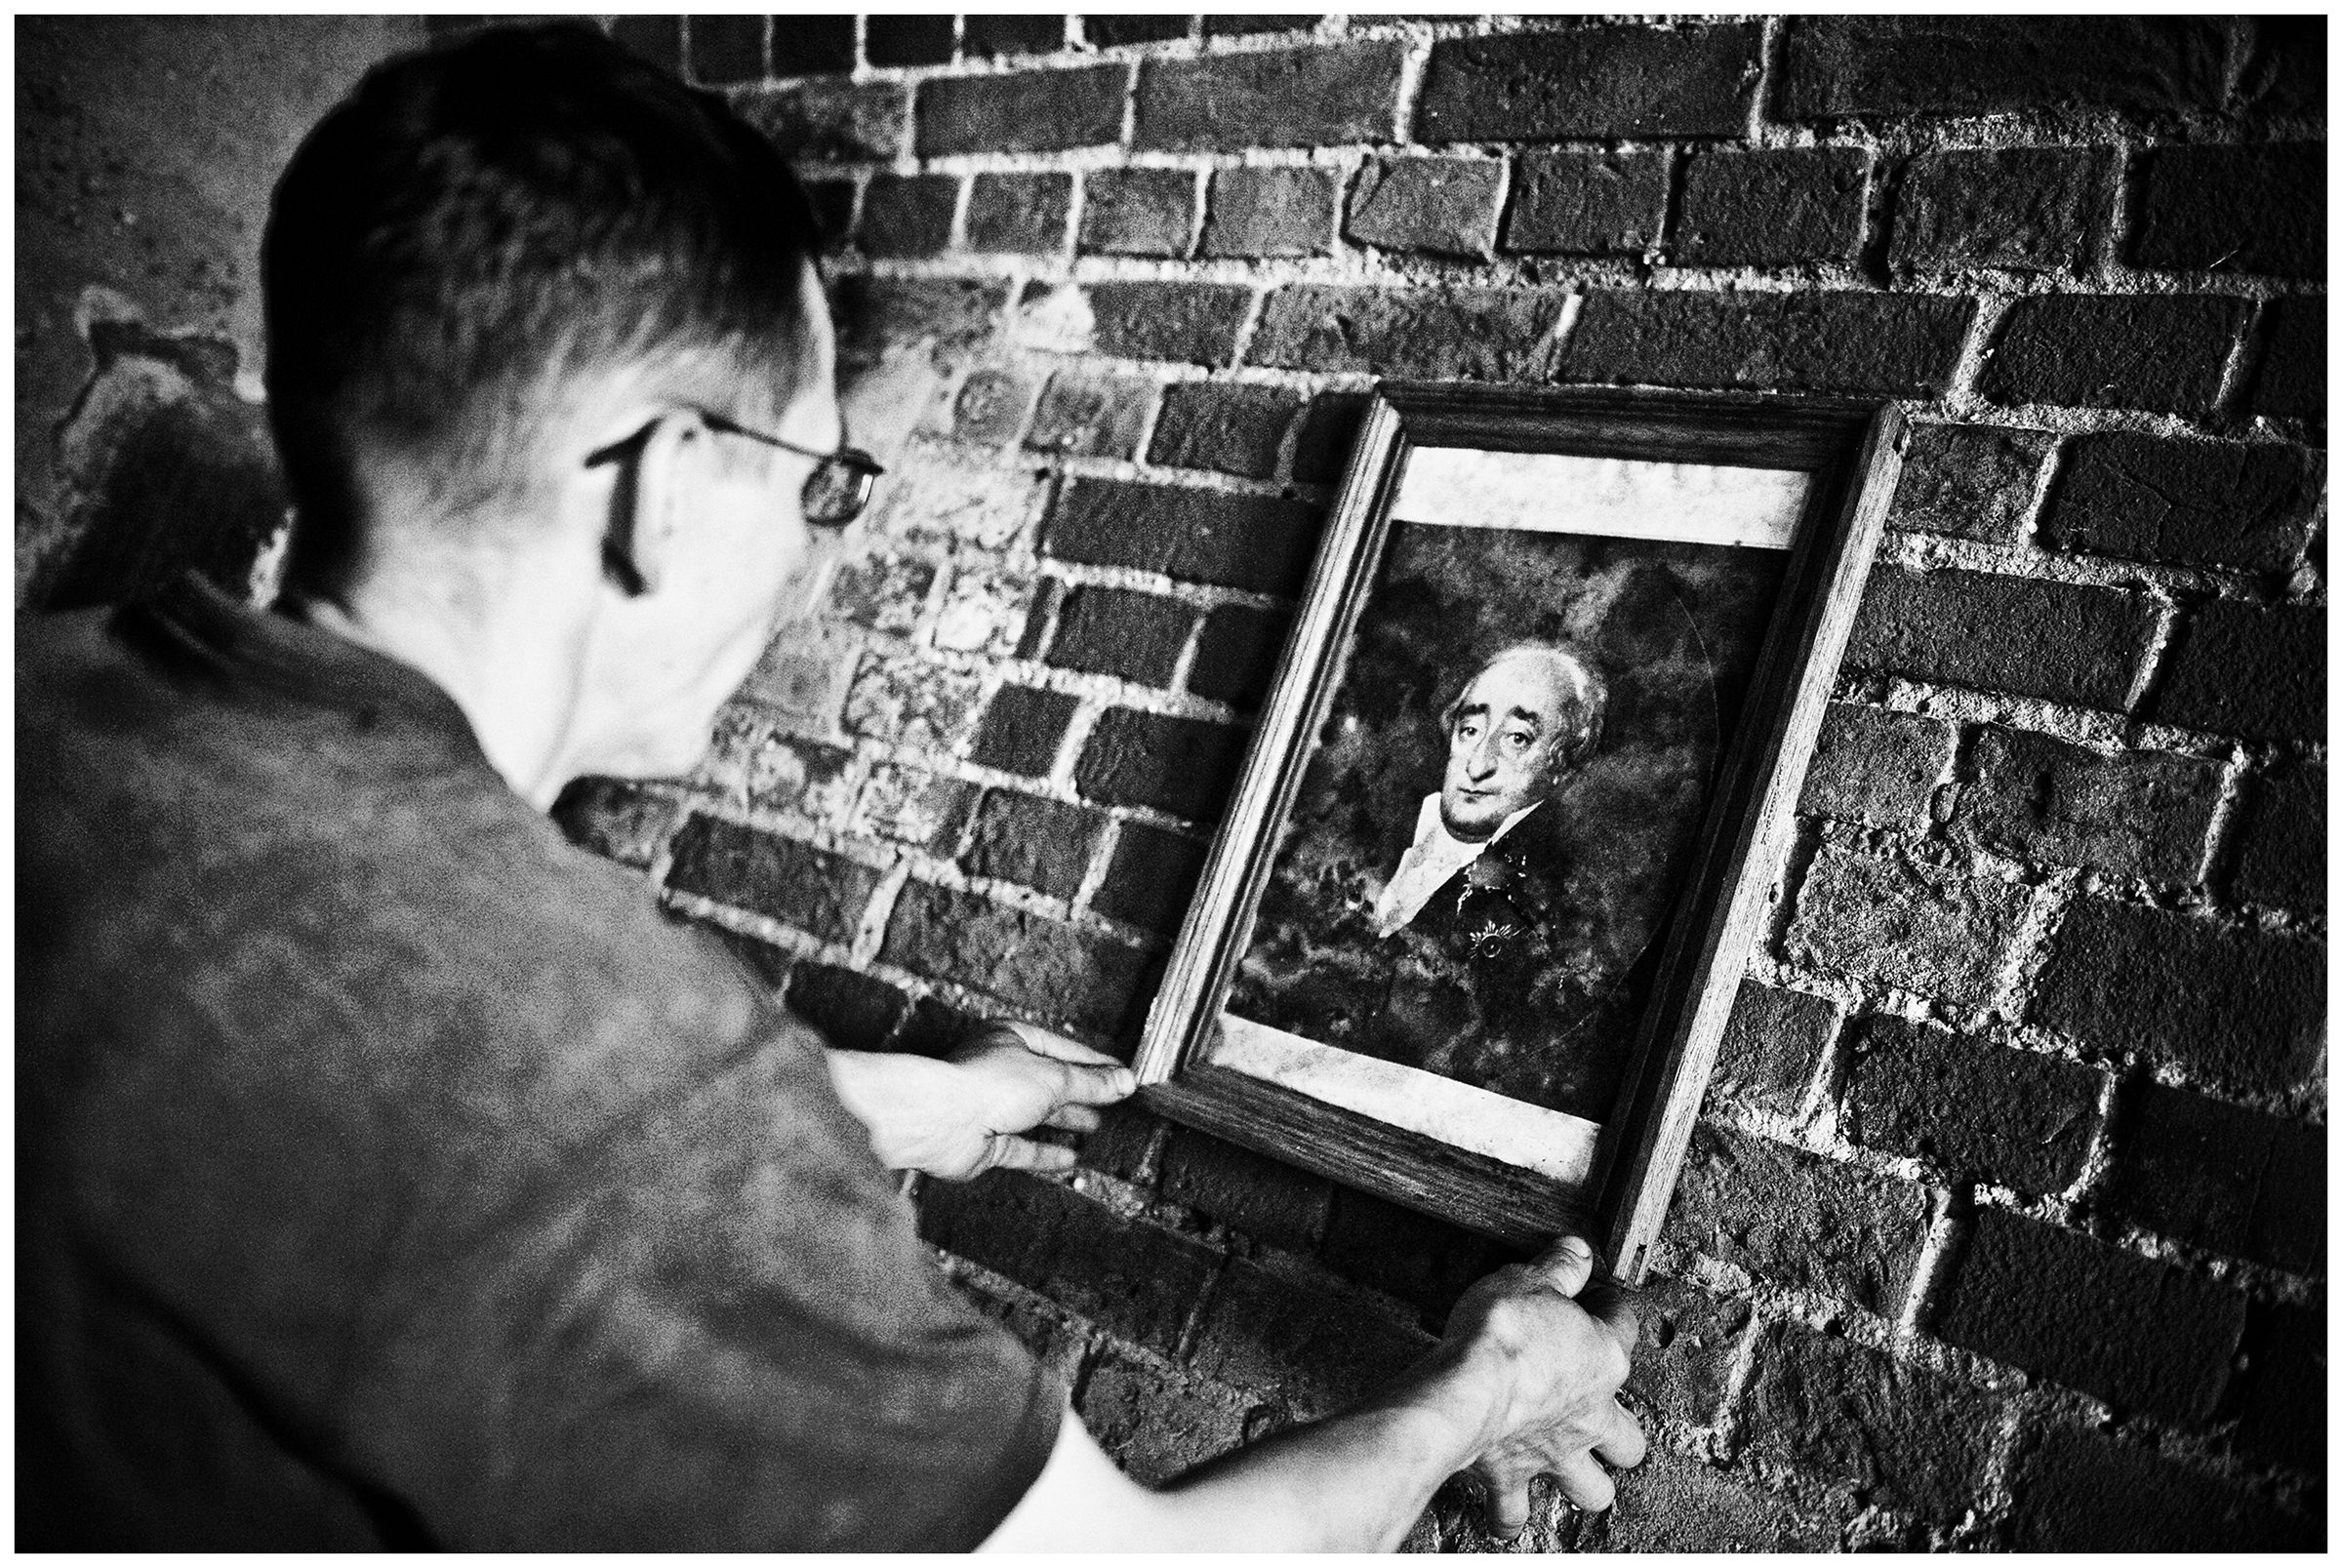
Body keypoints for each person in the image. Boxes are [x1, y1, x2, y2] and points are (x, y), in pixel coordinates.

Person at [16, 22, 1642, 1551]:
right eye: (822, 479)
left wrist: (897, 1107)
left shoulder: (63, 709)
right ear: (666, 487)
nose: (811, 547)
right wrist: (1495, 1382)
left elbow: (358, 1081)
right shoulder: (612, 1074)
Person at [1371, 642, 1607, 954]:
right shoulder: (1387, 841)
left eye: (1517, 738)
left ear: (1562, 769)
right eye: (1470, 730)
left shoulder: (1549, 913)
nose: (1478, 765)